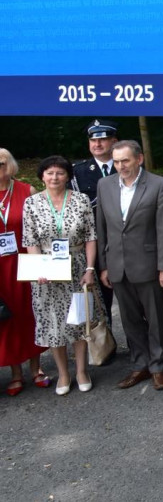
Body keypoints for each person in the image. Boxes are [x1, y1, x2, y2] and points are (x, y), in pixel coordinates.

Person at [95, 140, 163, 391]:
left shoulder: (158, 184)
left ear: (139, 159)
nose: (121, 166)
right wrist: (104, 265)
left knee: (155, 320)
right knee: (130, 321)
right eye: (117, 161)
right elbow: (102, 227)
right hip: (117, 265)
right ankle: (140, 365)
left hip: (149, 264)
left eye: (125, 161)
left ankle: (158, 368)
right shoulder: (104, 185)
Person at [22, 156, 98, 395]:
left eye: (60, 173)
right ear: (42, 176)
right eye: (50, 173)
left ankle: (82, 371)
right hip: (47, 270)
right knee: (54, 324)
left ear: (68, 176)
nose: (55, 177)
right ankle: (63, 373)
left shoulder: (81, 200)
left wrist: (90, 269)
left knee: (78, 320)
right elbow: (30, 240)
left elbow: (90, 237)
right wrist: (39, 268)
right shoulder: (31, 203)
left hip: (76, 267)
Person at [0, 149, 48, 396]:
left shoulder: (26, 191)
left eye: (1, 163)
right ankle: (15, 372)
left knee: (31, 313)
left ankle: (36, 368)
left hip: (25, 260)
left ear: (11, 165)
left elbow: (41, 229)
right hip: (0, 268)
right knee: (5, 319)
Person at [71, 119, 118, 343]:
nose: (97, 144)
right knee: (100, 298)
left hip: (124, 241)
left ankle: (138, 345)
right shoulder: (78, 172)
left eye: (102, 139)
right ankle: (105, 343)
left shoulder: (126, 164)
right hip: (94, 244)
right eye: (93, 140)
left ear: (113, 141)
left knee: (132, 298)